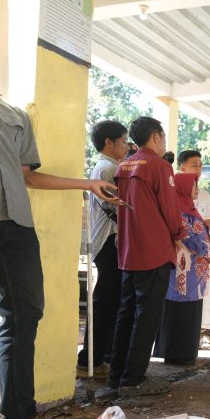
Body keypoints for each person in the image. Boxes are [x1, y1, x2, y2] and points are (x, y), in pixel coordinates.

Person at [0, 42, 120, 419]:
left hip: (15, 226)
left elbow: (28, 176)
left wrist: (88, 184)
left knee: (25, 312)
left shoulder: (13, 114)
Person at [99, 116, 186, 399]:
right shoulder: (160, 166)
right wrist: (178, 234)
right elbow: (170, 209)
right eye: (163, 138)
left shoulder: (124, 166)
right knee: (146, 317)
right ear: (156, 137)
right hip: (154, 251)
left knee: (126, 314)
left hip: (128, 251)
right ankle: (133, 379)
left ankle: (116, 377)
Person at [76, 120, 129, 380]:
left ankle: (99, 358)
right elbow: (115, 206)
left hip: (109, 240)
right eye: (124, 142)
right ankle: (89, 360)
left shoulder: (107, 166)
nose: (127, 146)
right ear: (109, 142)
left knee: (110, 300)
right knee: (106, 302)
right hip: (109, 240)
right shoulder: (107, 168)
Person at [155, 173, 210, 365]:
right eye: (193, 185)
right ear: (182, 187)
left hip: (192, 273)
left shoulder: (190, 209)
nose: (197, 189)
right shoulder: (180, 211)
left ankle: (186, 352)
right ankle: (177, 353)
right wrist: (209, 251)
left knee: (189, 311)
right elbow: (189, 237)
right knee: (180, 310)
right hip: (183, 271)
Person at [178, 150, 210, 230]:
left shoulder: (205, 195)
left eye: (200, 165)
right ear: (182, 169)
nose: (199, 169)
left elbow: (207, 221)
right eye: (194, 165)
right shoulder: (172, 193)